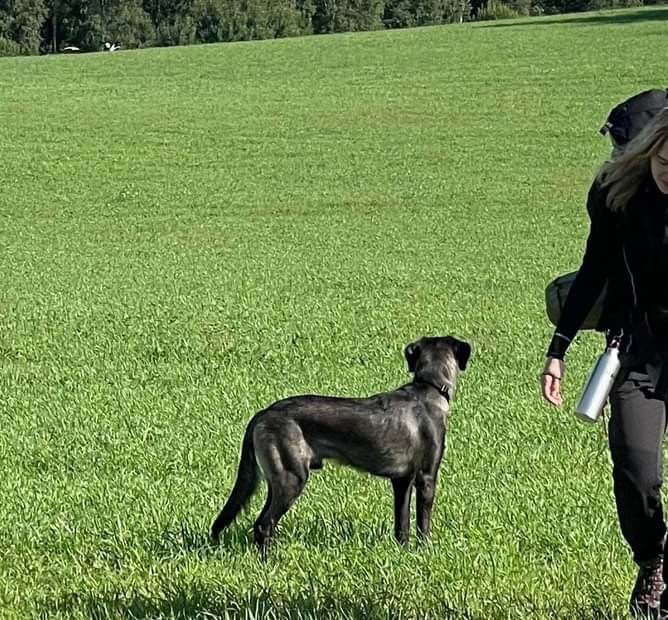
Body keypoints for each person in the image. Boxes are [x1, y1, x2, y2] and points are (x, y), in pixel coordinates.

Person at [541, 94, 668, 619]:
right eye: (663, 161)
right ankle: (653, 560)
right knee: (636, 468)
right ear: (649, 150)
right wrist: (559, 349)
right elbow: (594, 269)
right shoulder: (619, 196)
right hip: (637, 353)